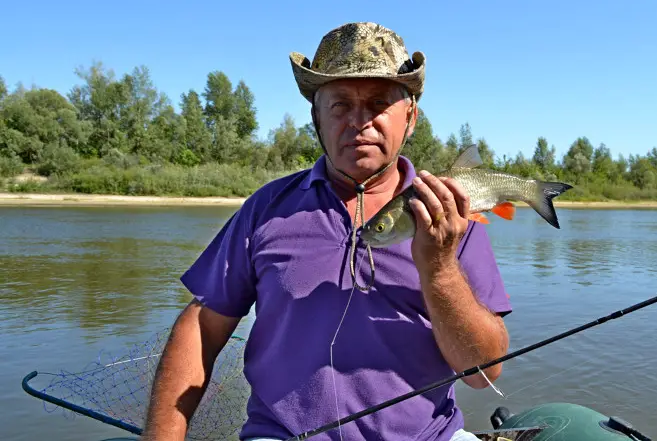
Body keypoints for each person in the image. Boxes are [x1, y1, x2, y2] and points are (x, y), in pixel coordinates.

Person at [141, 22, 512, 441]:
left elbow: (483, 374)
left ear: (410, 117)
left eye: (378, 103)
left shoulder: (448, 214)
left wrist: (440, 267)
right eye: (339, 105)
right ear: (316, 116)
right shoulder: (267, 210)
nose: (359, 122)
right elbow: (201, 326)